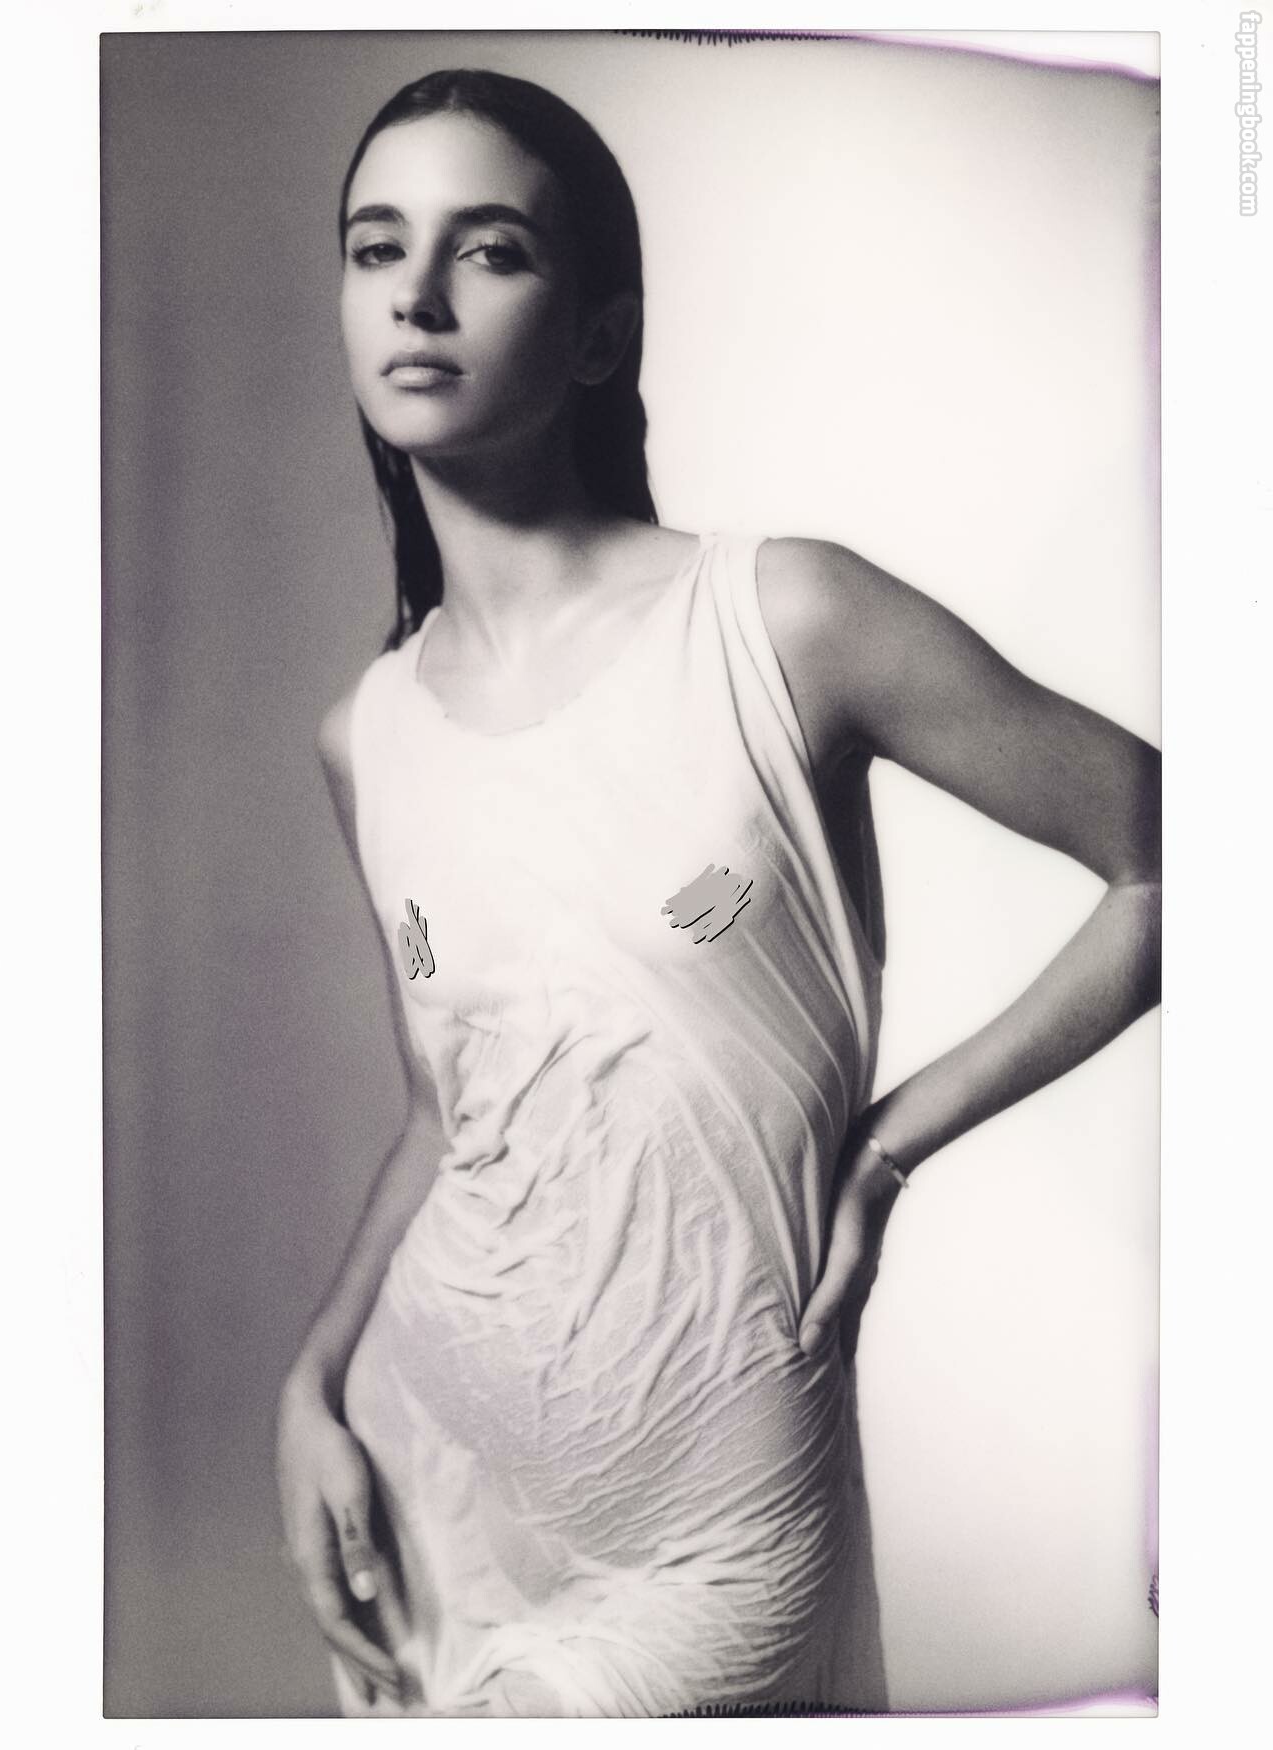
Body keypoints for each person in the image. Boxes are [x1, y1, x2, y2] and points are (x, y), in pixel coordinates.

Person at [274, 67, 1160, 1719]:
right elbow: (444, 1110)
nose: (416, 293)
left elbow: (1175, 856)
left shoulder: (784, 619)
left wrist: (888, 1148)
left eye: (489, 249)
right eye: (376, 247)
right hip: (427, 1489)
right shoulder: (366, 733)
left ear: (600, 334)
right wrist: (310, 1384)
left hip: (719, 1523)